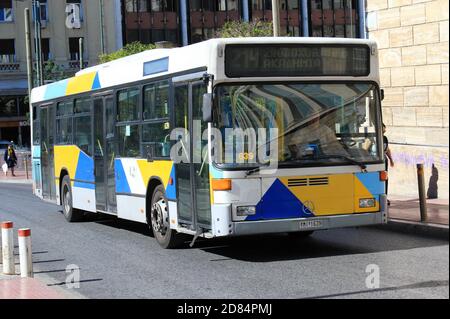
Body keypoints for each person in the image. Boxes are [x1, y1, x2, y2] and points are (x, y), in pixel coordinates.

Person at [383, 124, 394, 205]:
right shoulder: (373, 138)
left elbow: (387, 149)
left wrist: (391, 159)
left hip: (384, 160)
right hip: (377, 161)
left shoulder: (384, 138)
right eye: (384, 128)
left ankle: (385, 197)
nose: (385, 130)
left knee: (385, 178)